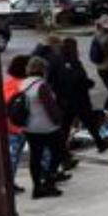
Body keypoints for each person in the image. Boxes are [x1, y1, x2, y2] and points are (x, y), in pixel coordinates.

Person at [57, 38, 108, 154]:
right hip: (79, 99)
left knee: (66, 126)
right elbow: (79, 79)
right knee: (88, 122)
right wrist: (89, 83)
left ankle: (62, 151)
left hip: (66, 100)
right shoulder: (74, 62)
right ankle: (99, 143)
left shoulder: (59, 62)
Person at [21, 57, 66, 198]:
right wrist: (59, 121)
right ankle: (49, 181)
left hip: (29, 126)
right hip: (46, 126)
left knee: (35, 156)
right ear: (43, 70)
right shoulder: (41, 86)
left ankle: (37, 186)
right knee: (58, 152)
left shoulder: (23, 84)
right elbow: (51, 108)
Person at [4, 55, 30, 193]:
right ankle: (8, 183)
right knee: (13, 157)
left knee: (13, 156)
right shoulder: (21, 85)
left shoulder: (9, 83)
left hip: (9, 125)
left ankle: (9, 182)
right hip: (16, 126)